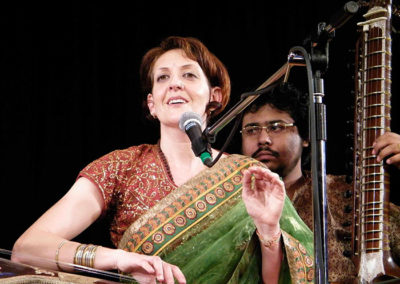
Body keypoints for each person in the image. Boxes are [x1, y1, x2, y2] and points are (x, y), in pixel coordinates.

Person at [12, 36, 314, 284]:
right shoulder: (121, 167)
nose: (175, 83)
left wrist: (269, 231)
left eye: (188, 74)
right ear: (152, 104)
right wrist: (120, 259)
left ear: (215, 96)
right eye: (163, 77)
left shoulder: (249, 175)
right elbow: (27, 249)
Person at [240, 82, 400, 283]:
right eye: (252, 129)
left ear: (306, 137)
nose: (263, 138)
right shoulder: (229, 205)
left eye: (276, 127)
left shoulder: (344, 194)